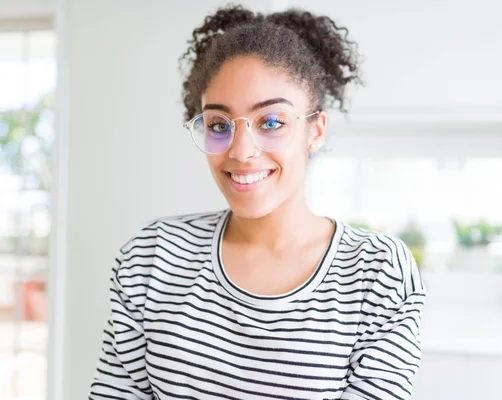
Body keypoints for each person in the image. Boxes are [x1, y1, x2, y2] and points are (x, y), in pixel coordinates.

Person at [89, 4, 426, 400]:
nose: (241, 150)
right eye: (218, 125)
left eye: (271, 122)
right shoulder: (152, 257)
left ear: (314, 131)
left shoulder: (378, 273)